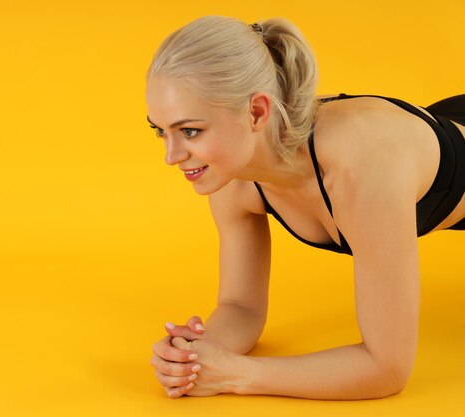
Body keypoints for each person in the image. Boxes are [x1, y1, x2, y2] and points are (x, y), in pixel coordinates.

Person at [145, 15, 465, 400]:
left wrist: (237, 375)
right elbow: (240, 306)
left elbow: (387, 368)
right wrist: (197, 354)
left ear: (257, 112)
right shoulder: (231, 177)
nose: (171, 155)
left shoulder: (362, 169)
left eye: (190, 131)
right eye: (160, 131)